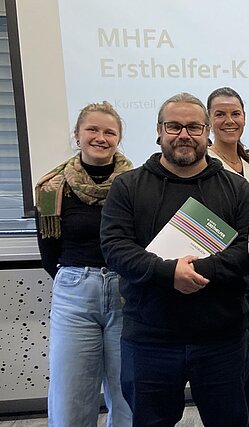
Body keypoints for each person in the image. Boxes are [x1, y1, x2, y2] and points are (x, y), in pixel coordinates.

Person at [100, 92, 249, 425]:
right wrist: (168, 273)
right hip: (149, 340)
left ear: (207, 133)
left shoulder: (238, 189)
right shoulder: (127, 187)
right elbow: (115, 248)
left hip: (222, 339)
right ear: (159, 131)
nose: (184, 134)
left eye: (194, 127)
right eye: (174, 126)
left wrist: (196, 271)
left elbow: (247, 250)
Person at [36, 101, 134, 426]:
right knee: (71, 398)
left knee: (128, 395)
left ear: (119, 138)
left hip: (126, 294)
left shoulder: (135, 184)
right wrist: (80, 278)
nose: (100, 137)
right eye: (92, 129)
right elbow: (49, 252)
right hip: (74, 295)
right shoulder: (52, 188)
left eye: (110, 132)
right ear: (77, 134)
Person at [205, 86, 249, 416]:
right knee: (230, 359)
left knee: (248, 356)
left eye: (235, 113)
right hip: (225, 276)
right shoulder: (203, 164)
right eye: (220, 114)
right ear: (208, 121)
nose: (229, 120)